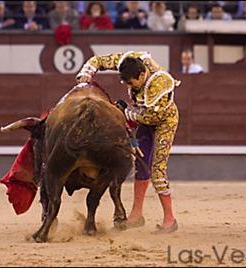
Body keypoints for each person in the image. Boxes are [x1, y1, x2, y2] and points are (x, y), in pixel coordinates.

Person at [76, 51, 180, 233]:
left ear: (142, 75)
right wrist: (87, 72)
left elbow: (150, 116)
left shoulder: (160, 83)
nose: (130, 86)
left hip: (164, 122)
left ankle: (170, 220)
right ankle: (136, 214)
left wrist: (125, 113)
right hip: (144, 119)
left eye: (131, 83)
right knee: (140, 165)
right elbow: (99, 59)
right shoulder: (130, 61)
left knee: (157, 172)